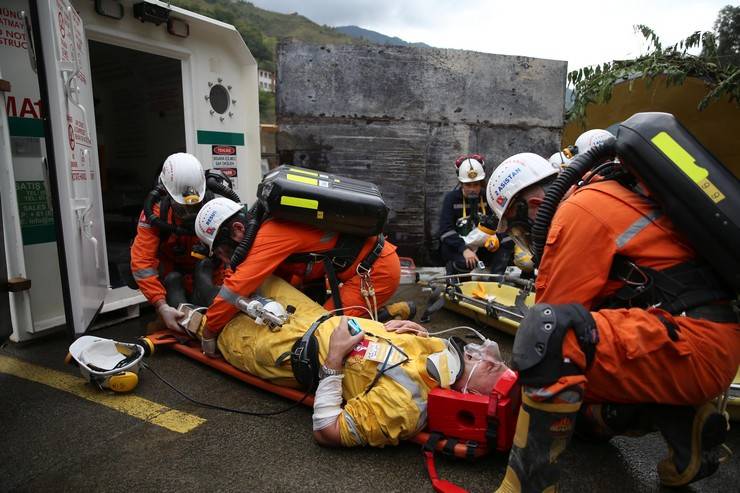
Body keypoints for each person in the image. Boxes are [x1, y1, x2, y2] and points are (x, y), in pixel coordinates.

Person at [485, 151, 739, 490]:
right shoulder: (605, 193)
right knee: (582, 412)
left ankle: (526, 486)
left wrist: (504, 396)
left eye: (518, 230)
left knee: (549, 337)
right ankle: (685, 429)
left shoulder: (576, 211)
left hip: (690, 345)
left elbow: (549, 329)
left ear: (533, 205)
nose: (525, 238)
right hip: (696, 341)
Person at [198, 275, 509, 447]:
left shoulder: (404, 406)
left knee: (213, 316)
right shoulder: (447, 356)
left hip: (286, 349)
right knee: (254, 274)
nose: (490, 354)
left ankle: (183, 298)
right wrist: (419, 332)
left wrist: (333, 359)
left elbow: (326, 430)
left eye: (492, 367)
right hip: (314, 315)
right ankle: (206, 272)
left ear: (473, 398)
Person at [194, 198, 413, 355]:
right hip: (362, 266)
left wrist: (209, 331)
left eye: (224, 251)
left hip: (374, 272)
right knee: (312, 320)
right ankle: (386, 314)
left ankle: (391, 336)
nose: (225, 260)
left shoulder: (269, 235)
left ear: (237, 229)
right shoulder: (269, 224)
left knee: (323, 336)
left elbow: (235, 289)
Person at [131, 153, 224, 331]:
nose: (189, 213)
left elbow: (233, 257)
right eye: (182, 207)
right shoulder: (156, 214)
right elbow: (141, 262)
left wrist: (227, 294)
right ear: (167, 193)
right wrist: (161, 306)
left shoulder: (217, 208)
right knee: (173, 281)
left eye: (195, 207)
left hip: (208, 270)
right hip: (172, 270)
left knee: (205, 268)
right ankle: (174, 310)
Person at [438, 155, 514, 276]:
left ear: (481, 184)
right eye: (468, 185)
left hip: (484, 245)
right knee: (459, 258)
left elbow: (501, 223)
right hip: (460, 246)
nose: (472, 189)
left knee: (508, 240)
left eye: (476, 184)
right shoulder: (451, 199)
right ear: (461, 184)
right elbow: (445, 231)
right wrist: (464, 249)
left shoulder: (489, 197)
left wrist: (496, 238)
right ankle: (454, 270)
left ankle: (495, 279)